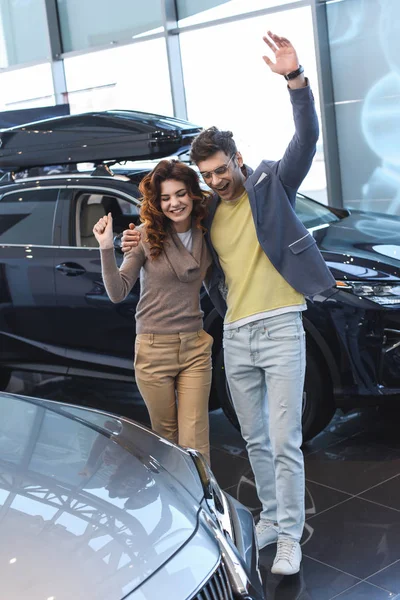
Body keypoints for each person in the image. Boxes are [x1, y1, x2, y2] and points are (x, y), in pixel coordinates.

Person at [120, 31, 335, 576]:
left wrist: (295, 79)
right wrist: (128, 241)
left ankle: (289, 535)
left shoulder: (271, 184)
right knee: (254, 437)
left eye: (222, 169)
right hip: (236, 335)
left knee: (286, 439)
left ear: (236, 159)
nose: (218, 179)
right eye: (209, 175)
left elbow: (306, 139)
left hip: (283, 326)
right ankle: (268, 516)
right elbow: (167, 228)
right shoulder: (207, 213)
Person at [93, 159, 213, 463]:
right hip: (153, 349)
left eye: (181, 193)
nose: (175, 203)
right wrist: (107, 247)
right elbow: (117, 291)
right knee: (166, 437)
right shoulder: (145, 236)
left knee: (195, 440)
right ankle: (175, 508)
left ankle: (204, 507)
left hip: (195, 347)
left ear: (193, 194)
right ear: (157, 203)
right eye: (166, 197)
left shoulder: (207, 231)